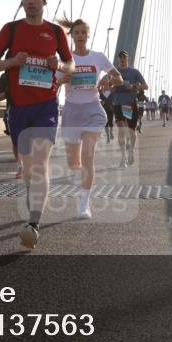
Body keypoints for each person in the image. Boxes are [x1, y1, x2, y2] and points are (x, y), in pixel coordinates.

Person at [0, 0, 74, 249]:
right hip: (19, 109)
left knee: (39, 163)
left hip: (46, 106)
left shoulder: (56, 32)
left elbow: (70, 65)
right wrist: (13, 61)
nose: (30, 1)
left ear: (44, 1)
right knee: (28, 170)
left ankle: (34, 222)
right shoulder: (10, 29)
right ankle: (33, 197)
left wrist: (57, 65)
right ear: (22, 3)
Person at [55, 17, 122, 219]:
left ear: (88, 35)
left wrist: (108, 78)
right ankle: (78, 176)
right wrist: (62, 80)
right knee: (73, 162)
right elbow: (54, 85)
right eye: (77, 33)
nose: (81, 36)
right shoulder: (65, 61)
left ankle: (84, 204)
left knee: (88, 157)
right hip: (71, 112)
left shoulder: (98, 57)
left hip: (93, 111)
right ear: (72, 36)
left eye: (84, 32)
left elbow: (119, 78)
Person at [110, 50, 147, 168]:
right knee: (121, 130)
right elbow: (108, 88)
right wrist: (113, 88)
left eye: (124, 58)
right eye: (120, 58)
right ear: (118, 59)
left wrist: (133, 86)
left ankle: (131, 149)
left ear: (128, 59)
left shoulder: (134, 72)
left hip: (129, 104)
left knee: (131, 131)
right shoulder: (114, 72)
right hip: (118, 104)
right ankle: (123, 157)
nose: (122, 59)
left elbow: (145, 86)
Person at [0, 72, 21, 179]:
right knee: (16, 141)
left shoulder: (32, 70)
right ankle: (21, 167)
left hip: (33, 109)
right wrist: (9, 89)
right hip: (13, 111)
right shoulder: (5, 76)